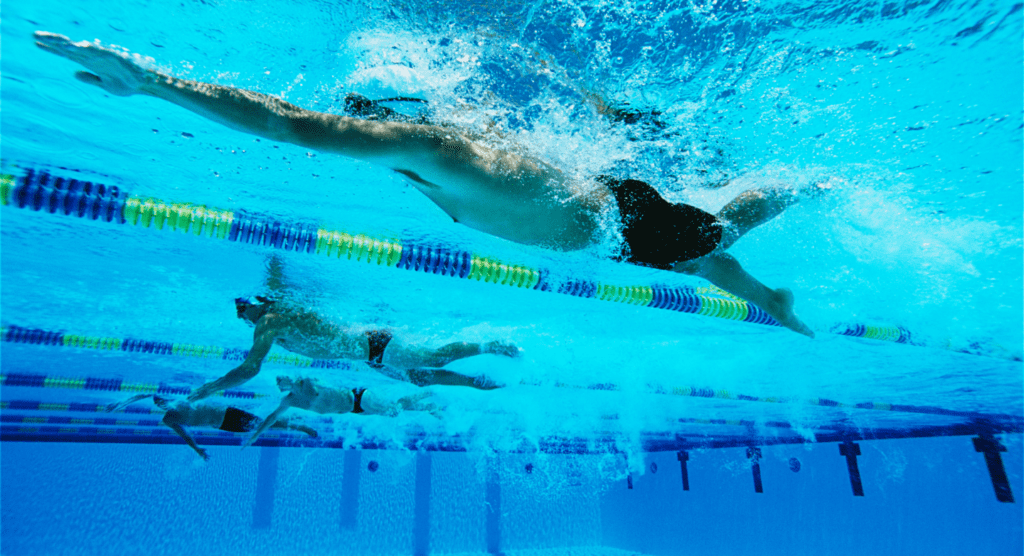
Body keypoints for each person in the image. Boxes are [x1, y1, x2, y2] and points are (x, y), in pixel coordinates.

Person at [34, 31, 814, 336]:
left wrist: (153, 83)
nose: (352, 133)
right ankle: (774, 299)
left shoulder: (431, 151)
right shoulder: (430, 156)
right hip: (602, 225)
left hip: (618, 223)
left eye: (359, 121)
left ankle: (812, 183)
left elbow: (282, 123)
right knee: (706, 263)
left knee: (727, 228)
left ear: (379, 119)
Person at [187, 256, 517, 401]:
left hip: (374, 345)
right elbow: (275, 280)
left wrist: (211, 387)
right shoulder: (277, 308)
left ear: (255, 305)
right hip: (367, 353)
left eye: (241, 309)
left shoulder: (270, 320)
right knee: (418, 377)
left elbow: (249, 367)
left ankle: (489, 345)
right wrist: (274, 260)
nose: (240, 317)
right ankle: (476, 382)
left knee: (434, 358)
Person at [241, 375, 438, 448]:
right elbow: (272, 417)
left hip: (360, 397)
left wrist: (294, 383)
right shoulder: (289, 400)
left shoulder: (307, 382)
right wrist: (256, 436)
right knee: (394, 410)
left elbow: (313, 392)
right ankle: (429, 406)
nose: (278, 383)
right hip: (356, 410)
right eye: (278, 383)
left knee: (394, 410)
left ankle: (427, 391)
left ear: (288, 379)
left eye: (280, 379)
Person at [106, 393, 317, 460]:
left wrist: (121, 403)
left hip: (225, 413)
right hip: (221, 423)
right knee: (259, 426)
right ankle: (298, 425)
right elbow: (185, 435)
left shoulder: (179, 400)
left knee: (262, 424)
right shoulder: (169, 420)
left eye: (161, 401)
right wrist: (197, 449)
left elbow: (143, 394)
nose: (161, 403)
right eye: (159, 403)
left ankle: (301, 427)